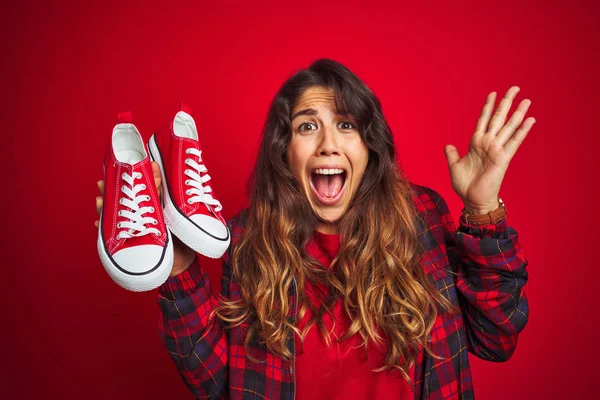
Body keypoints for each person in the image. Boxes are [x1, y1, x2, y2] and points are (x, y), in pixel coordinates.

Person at [94, 59, 533, 399]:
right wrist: (180, 267)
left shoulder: (421, 216)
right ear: (285, 152)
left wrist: (481, 208)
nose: (327, 143)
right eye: (308, 126)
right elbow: (216, 385)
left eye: (346, 125)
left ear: (369, 146)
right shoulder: (247, 240)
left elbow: (496, 337)